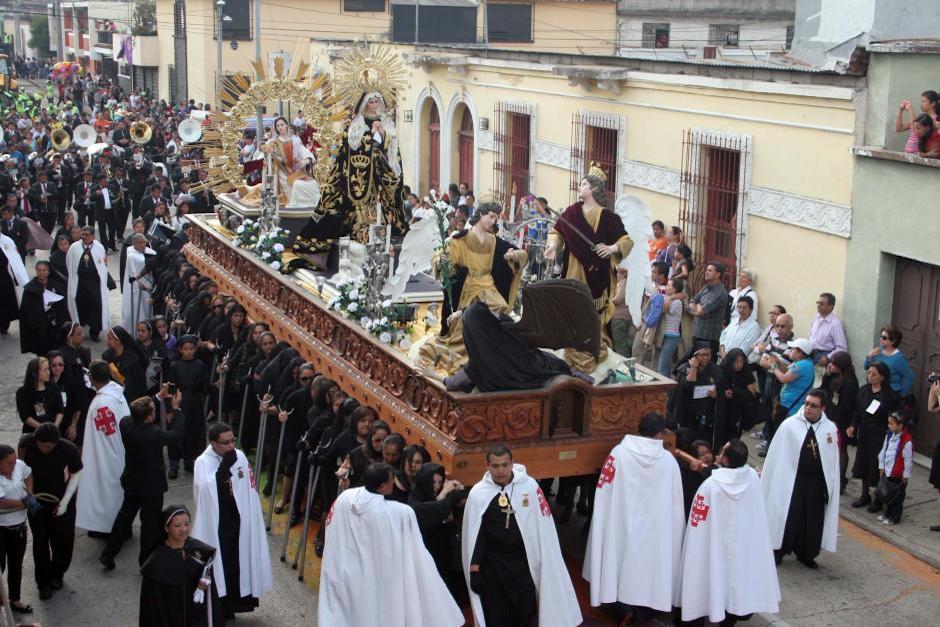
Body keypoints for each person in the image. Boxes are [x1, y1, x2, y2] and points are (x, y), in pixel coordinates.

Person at [319, 462, 465, 627]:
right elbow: (422, 527)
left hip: (347, 571)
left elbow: (331, 526)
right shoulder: (398, 512)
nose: (393, 483)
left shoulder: (346, 498)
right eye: (391, 481)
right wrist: (450, 497)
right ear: (382, 486)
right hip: (380, 577)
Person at [462, 445, 582, 627]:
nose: (500, 471)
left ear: (512, 463)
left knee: (524, 612)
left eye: (504, 465)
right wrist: (475, 569)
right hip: (492, 566)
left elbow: (542, 528)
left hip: (523, 564)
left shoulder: (530, 487)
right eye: (495, 466)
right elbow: (476, 535)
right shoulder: (478, 494)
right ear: (487, 465)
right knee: (496, 616)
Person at [583, 412, 684, 620]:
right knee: (648, 565)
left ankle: (619, 603)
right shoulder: (668, 462)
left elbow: (604, 488)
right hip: (654, 526)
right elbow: (675, 501)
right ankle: (643, 607)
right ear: (659, 434)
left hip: (620, 520)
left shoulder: (619, 453)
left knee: (617, 559)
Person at [677, 439, 780, 625]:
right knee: (736, 580)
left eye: (722, 451)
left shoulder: (710, 486)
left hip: (714, 545)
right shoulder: (753, 478)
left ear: (724, 460)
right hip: (742, 544)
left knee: (711, 575)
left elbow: (698, 521)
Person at [418, 203, 527, 375]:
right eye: (491, 216)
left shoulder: (492, 240)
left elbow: (519, 254)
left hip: (489, 287)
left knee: (500, 310)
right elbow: (443, 260)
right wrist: (442, 261)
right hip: (470, 289)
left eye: (495, 218)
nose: (493, 221)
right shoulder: (460, 239)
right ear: (480, 214)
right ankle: (469, 354)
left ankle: (492, 352)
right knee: (469, 321)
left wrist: (513, 255)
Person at [544, 166, 633, 372]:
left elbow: (626, 241)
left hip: (597, 273)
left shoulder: (608, 217)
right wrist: (553, 246)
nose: (579, 186)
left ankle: (591, 346)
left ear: (594, 188)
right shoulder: (571, 212)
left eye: (584, 183)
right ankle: (573, 348)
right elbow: (557, 232)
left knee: (592, 312)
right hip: (573, 269)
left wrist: (610, 248)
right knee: (572, 308)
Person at [192, 422, 272, 618]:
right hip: (218, 523)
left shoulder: (239, 456)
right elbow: (206, 491)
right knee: (222, 565)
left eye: (232, 441)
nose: (230, 446)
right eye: (225, 442)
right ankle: (219, 607)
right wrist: (224, 469)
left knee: (238, 563)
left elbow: (246, 487)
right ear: (213, 443)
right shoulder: (203, 462)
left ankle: (235, 605)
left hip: (239, 520)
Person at [99, 392, 181, 570]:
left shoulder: (126, 426)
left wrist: (157, 397)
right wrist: (176, 409)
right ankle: (145, 562)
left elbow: (135, 413)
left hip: (132, 482)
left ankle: (108, 553)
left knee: (124, 518)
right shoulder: (154, 434)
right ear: (149, 417)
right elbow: (176, 434)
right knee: (149, 525)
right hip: (152, 487)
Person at [762, 389, 840, 569]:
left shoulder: (830, 429)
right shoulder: (790, 425)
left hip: (815, 482)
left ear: (823, 408)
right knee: (788, 514)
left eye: (814, 406)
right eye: (807, 404)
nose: (808, 408)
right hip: (792, 480)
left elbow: (832, 460)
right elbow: (777, 456)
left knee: (811, 518)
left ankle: (806, 553)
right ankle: (778, 550)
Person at [18, 423, 83, 600]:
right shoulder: (27, 444)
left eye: (49, 446)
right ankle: (43, 583)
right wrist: (29, 494)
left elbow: (76, 474)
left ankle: (58, 573)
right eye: (43, 446)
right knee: (40, 543)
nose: (45, 449)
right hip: (37, 502)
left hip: (61, 501)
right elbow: (22, 470)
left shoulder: (68, 449)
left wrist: (64, 503)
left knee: (63, 541)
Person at [139, 505, 224, 626]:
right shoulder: (156, 562)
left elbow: (207, 580)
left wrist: (203, 584)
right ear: (166, 528)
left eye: (187, 524)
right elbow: (152, 607)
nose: (184, 529)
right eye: (177, 526)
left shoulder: (198, 551)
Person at [76, 361, 130, 538]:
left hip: (105, 455)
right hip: (120, 450)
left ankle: (109, 528)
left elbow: (100, 434)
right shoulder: (117, 393)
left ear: (92, 379)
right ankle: (121, 526)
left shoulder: (100, 403)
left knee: (105, 491)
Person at [848, 361, 894, 512]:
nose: (870, 376)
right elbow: (856, 410)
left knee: (876, 465)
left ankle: (878, 499)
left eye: (874, 374)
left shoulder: (889, 395)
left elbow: (892, 415)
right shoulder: (863, 390)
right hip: (864, 433)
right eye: (869, 373)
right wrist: (853, 425)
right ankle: (864, 494)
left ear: (882, 377)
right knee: (864, 463)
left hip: (880, 434)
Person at [408, 463, 466, 583]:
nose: (437, 486)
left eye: (440, 482)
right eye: (433, 482)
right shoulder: (415, 498)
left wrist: (457, 489)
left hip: (446, 550)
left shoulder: (446, 494)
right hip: (426, 550)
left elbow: (459, 498)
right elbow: (433, 510)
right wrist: (444, 494)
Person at [0, 444, 35, 614]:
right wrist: (25, 503)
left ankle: (15, 599)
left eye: (14, 462)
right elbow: (3, 503)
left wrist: (30, 492)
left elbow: (28, 475)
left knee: (16, 565)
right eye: (9, 463)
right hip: (1, 529)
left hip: (19, 527)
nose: (13, 466)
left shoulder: (19, 465)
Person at [670, 342, 725, 447]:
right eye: (702, 355)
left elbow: (722, 391)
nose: (706, 358)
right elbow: (688, 385)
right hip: (687, 414)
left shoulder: (716, 371)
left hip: (707, 417)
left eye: (708, 354)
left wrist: (717, 395)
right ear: (694, 356)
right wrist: (693, 367)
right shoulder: (684, 369)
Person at [169, 335, 209, 474]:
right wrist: (170, 409)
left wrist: (214, 386)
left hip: (195, 403)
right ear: (180, 350)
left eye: (191, 348)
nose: (189, 351)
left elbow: (204, 386)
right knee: (178, 432)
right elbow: (171, 388)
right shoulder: (175, 365)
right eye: (186, 349)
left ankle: (189, 460)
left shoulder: (199, 365)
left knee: (193, 432)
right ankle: (174, 464)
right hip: (179, 402)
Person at [820, 351, 859, 494]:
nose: (831, 365)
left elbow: (847, 406)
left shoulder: (850, 382)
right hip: (832, 415)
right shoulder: (836, 376)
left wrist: (835, 421)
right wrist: (827, 374)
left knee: (841, 449)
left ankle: (841, 480)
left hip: (841, 420)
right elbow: (824, 388)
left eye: (834, 364)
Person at [66, 225, 110, 341]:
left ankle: (94, 332)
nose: (83, 237)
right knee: (81, 306)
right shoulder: (74, 247)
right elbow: (69, 262)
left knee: (96, 307)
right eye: (82, 234)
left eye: (86, 235)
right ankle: (79, 329)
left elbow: (103, 264)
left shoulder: (99, 248)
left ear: (92, 236)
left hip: (94, 282)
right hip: (80, 282)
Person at [19, 260, 63, 356]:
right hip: (39, 325)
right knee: (42, 350)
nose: (41, 273)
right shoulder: (30, 289)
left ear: (48, 271)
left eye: (44, 270)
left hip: (54, 323)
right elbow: (26, 309)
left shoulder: (54, 284)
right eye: (39, 270)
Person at [877, 412, 913, 526]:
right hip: (888, 471)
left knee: (897, 498)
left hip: (898, 474)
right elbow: (883, 450)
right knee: (889, 495)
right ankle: (887, 514)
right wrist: (881, 466)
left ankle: (894, 517)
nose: (889, 426)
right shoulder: (889, 435)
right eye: (889, 423)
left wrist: (906, 475)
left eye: (892, 424)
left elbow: (908, 460)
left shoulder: (906, 441)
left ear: (900, 426)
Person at [688, 262, 729, 358]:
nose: (706, 272)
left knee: (705, 364)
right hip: (697, 333)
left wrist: (698, 307)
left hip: (709, 338)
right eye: (706, 270)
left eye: (710, 271)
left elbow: (702, 310)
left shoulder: (720, 293)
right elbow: (692, 302)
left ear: (718, 274)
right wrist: (698, 309)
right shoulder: (705, 287)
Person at [15, 356, 64, 434]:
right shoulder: (23, 392)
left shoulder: (53, 387)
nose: (48, 372)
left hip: (53, 431)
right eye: (45, 370)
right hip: (33, 433)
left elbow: (60, 409)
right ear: (35, 373)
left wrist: (54, 427)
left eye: (48, 369)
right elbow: (25, 416)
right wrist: (43, 428)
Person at [863, 323, 914, 397]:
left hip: (889, 394)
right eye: (881, 336)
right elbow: (866, 367)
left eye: (884, 337)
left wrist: (902, 394)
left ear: (893, 341)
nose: (881, 339)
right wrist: (869, 356)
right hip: (874, 389)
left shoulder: (899, 359)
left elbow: (909, 376)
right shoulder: (878, 351)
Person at [103, 326, 150, 403]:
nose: (107, 341)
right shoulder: (107, 355)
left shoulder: (133, 359)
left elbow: (138, 384)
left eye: (110, 339)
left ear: (118, 341)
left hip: (130, 398)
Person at [122, 233, 155, 331]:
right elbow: (134, 272)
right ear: (134, 244)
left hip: (149, 285)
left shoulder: (150, 252)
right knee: (137, 309)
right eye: (140, 243)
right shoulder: (131, 255)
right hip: (137, 287)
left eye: (144, 242)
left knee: (147, 308)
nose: (143, 245)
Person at [0, 229, 28, 335]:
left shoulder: (7, 241)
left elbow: (14, 259)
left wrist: (17, 276)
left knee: (4, 301)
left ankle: (3, 324)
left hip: (3, 277)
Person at [807, 292, 847, 366]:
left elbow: (842, 348)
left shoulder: (835, 323)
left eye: (821, 304)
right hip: (810, 353)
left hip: (823, 356)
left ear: (830, 307)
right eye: (818, 303)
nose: (818, 305)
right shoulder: (816, 318)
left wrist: (828, 357)